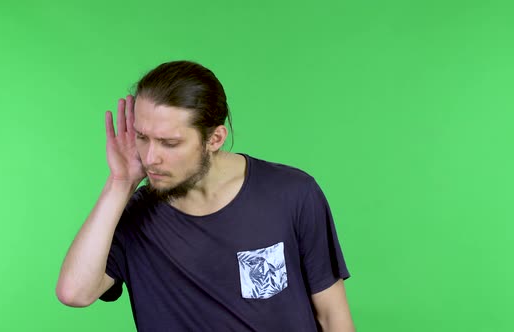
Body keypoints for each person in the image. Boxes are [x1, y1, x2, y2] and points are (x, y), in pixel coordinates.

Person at [56, 60, 354, 331]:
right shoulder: (135, 215)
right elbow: (74, 293)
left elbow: (332, 316)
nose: (150, 157)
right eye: (142, 137)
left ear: (214, 139)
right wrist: (120, 182)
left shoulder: (292, 193)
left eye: (169, 143)